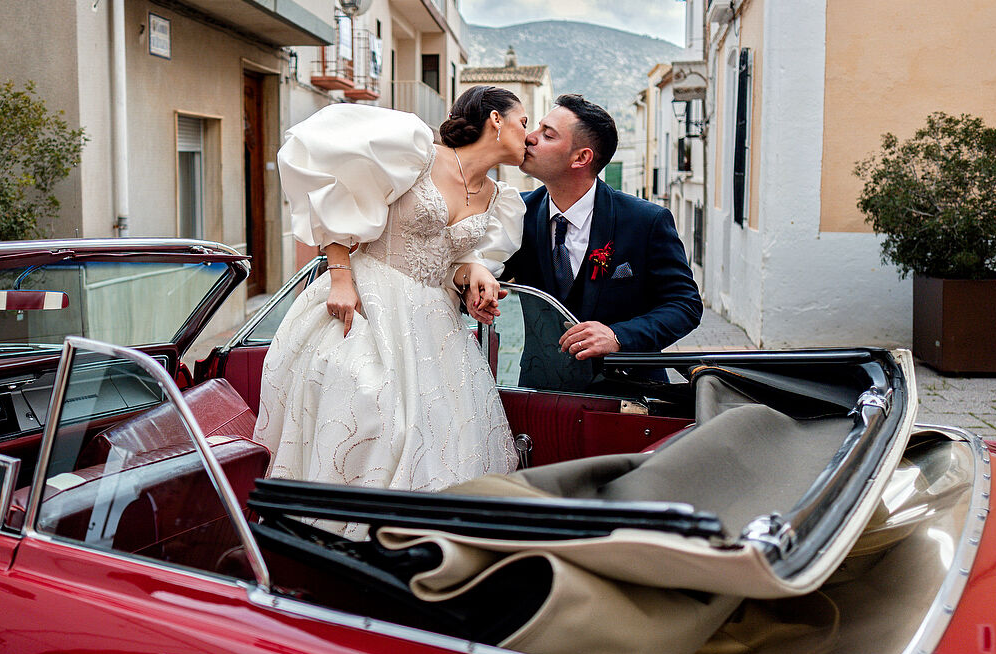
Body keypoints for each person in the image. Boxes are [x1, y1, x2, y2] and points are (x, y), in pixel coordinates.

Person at [253, 87, 529, 539]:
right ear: (496, 120)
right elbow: (337, 190)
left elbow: (453, 265)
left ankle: (422, 545)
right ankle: (334, 539)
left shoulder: (501, 199)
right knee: (369, 410)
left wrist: (473, 276)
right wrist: (340, 276)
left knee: (446, 439)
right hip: (366, 300)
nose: (529, 135)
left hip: (436, 326)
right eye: (523, 122)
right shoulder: (417, 152)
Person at [504, 94, 702, 389]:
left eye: (547, 134)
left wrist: (618, 336)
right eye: (536, 128)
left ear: (581, 158)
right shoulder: (516, 213)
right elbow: (484, 276)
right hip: (540, 391)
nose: (529, 138)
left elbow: (685, 304)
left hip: (627, 395)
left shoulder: (646, 221)